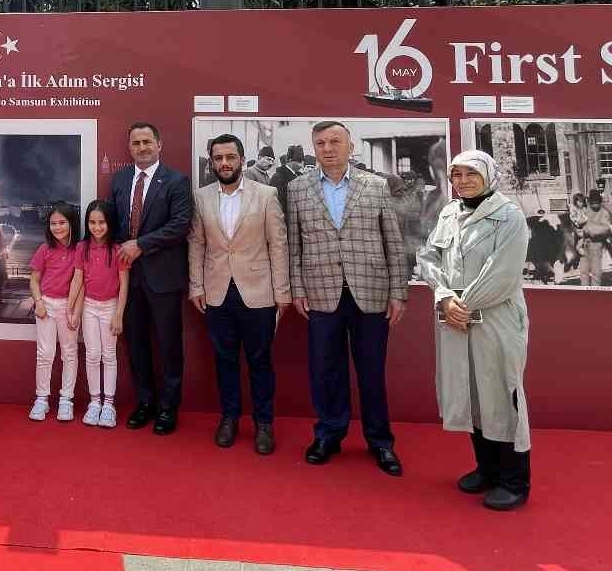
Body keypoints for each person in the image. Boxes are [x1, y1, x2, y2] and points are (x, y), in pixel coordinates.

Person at [284, 120, 408, 476]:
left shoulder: (376, 185)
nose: (328, 148)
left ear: (350, 146)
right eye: (320, 142)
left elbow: (393, 243)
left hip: (371, 292)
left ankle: (380, 442)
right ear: (313, 148)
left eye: (335, 141)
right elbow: (295, 244)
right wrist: (298, 288)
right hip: (321, 292)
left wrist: (398, 292)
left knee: (371, 372)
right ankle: (328, 434)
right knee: (326, 370)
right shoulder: (297, 189)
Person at [416, 150, 533, 510]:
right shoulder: (450, 213)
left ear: (488, 175)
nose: (462, 181)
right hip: (454, 317)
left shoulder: (509, 217)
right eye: (456, 175)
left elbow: (503, 273)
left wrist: (460, 306)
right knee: (470, 391)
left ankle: (514, 481)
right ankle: (487, 468)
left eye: (471, 174)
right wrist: (443, 297)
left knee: (501, 390)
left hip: (494, 319)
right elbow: (429, 256)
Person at [188, 133, 291, 456]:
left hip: (258, 292)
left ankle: (263, 424)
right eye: (218, 158)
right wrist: (196, 286)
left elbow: (278, 243)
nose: (224, 163)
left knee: (260, 361)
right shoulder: (201, 197)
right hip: (217, 293)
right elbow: (197, 244)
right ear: (212, 161)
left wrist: (282, 291)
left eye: (230, 157)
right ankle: (229, 418)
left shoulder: (266, 194)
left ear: (241, 159)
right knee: (224, 360)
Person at [110, 122, 193, 435]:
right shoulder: (119, 180)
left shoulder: (176, 181)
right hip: (129, 280)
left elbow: (180, 225)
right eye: (136, 143)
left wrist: (141, 245)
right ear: (129, 147)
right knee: (136, 344)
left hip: (164, 277)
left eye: (147, 142)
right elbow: (116, 224)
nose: (142, 147)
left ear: (160, 144)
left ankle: (168, 408)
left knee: (169, 345)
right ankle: (145, 403)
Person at [27, 203, 85, 422]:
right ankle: (41, 398)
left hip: (68, 307)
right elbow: (34, 279)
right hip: (47, 306)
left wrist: (74, 311)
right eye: (53, 223)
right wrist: (39, 302)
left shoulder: (80, 249)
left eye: (62, 223)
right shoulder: (45, 249)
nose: (57, 227)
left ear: (71, 224)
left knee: (69, 353)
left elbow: (82, 283)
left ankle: (66, 400)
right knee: (45, 353)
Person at [74, 201, 127, 427]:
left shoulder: (118, 250)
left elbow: (124, 285)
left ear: (109, 223)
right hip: (88, 307)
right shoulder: (81, 248)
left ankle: (109, 404)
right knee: (92, 355)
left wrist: (118, 315)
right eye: (92, 223)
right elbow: (78, 279)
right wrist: (71, 309)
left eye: (102, 222)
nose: (97, 227)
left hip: (110, 307)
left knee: (109, 356)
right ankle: (94, 402)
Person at [577, 191, 612, 287]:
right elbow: (579, 224)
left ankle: (595, 292)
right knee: (583, 271)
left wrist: (589, 230)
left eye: (597, 202)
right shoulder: (586, 211)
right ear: (589, 202)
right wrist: (582, 223)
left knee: (596, 272)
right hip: (584, 244)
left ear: (600, 202)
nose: (595, 204)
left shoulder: (604, 213)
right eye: (593, 202)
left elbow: (605, 229)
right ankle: (584, 292)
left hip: (596, 245)